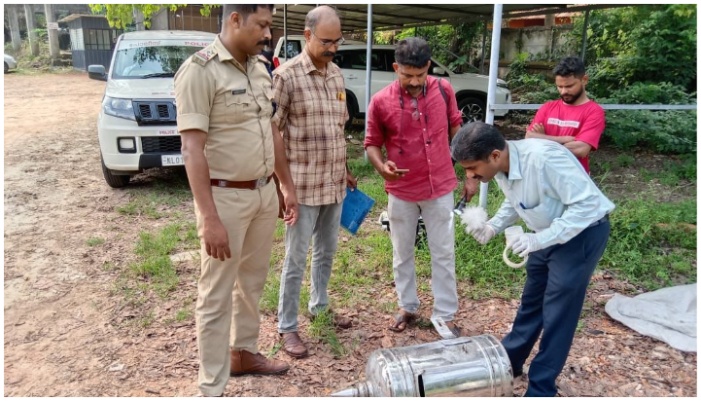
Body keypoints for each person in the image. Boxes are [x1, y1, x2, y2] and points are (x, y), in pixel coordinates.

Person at [174, 4, 298, 397]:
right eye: (261, 25)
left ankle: (243, 352)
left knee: (252, 282)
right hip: (224, 199)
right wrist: (209, 218)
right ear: (235, 20)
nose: (267, 34)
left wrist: (284, 185)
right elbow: (192, 150)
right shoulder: (200, 70)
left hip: (263, 194)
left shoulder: (259, 67)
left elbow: (271, 131)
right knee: (216, 294)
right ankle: (212, 386)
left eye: (269, 26)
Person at [451, 121, 615, 397]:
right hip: (545, 234)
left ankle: (541, 386)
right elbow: (517, 200)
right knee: (532, 301)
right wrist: (493, 226)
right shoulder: (502, 166)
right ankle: (509, 362)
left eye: (472, 168)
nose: (470, 175)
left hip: (582, 234)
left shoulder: (544, 160)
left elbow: (587, 206)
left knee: (558, 313)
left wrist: (537, 240)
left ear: (493, 155)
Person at [364, 37, 478, 337]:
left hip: (439, 186)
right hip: (401, 191)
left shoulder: (444, 90)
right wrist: (381, 167)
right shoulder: (380, 101)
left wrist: (470, 173)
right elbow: (372, 144)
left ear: (429, 66)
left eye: (420, 74)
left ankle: (445, 314)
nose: (414, 82)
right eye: (407, 75)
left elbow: (458, 132)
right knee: (402, 253)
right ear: (395, 68)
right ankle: (408, 305)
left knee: (443, 252)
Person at [271, 5, 357, 359]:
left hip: (334, 184)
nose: (333, 47)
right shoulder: (286, 77)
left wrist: (346, 167)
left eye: (337, 41)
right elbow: (272, 133)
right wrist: (283, 186)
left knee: (327, 252)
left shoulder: (336, 75)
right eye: (326, 41)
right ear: (307, 36)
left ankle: (319, 306)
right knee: (295, 257)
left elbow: (337, 128)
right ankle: (287, 325)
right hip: (302, 187)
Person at [525, 56, 605, 173]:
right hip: (543, 177)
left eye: (569, 86)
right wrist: (565, 139)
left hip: (574, 181)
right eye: (559, 86)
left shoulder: (594, 111)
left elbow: (580, 149)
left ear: (584, 80)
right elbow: (529, 138)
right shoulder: (547, 107)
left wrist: (542, 139)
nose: (563, 92)